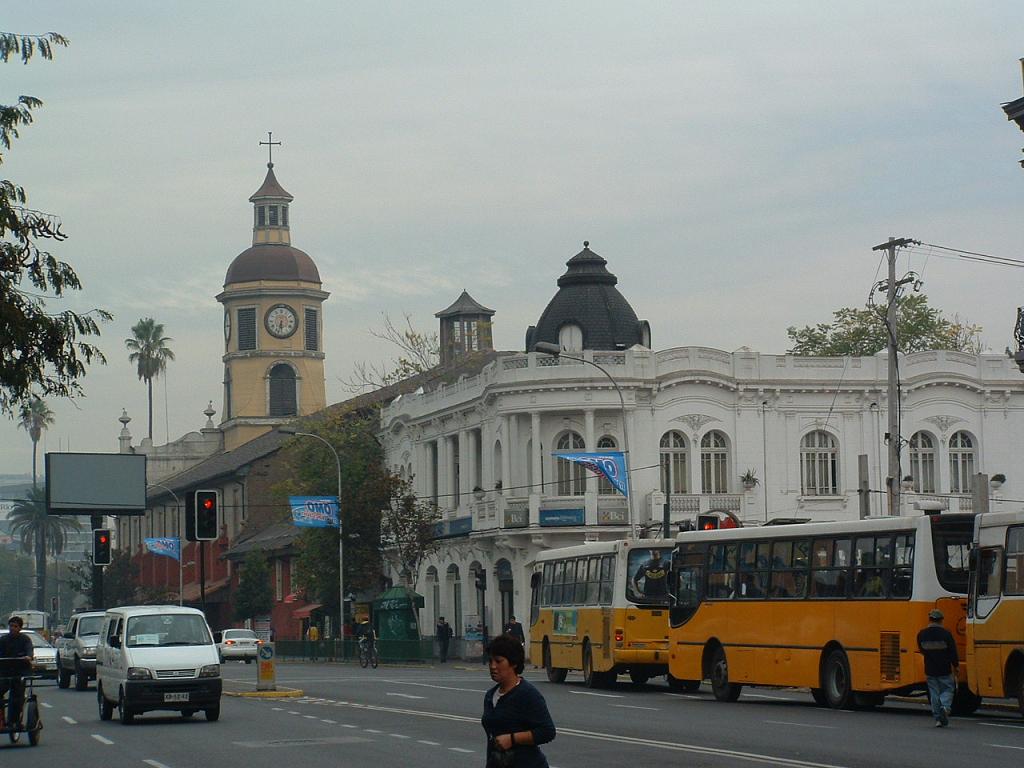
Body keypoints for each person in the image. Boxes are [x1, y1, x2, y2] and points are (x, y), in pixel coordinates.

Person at [482, 633, 556, 768]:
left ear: (513, 663)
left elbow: (547, 731)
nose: (492, 666)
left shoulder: (527, 694)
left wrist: (512, 739)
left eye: (498, 661)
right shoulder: (490, 695)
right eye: (490, 661)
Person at [917, 608, 959, 727]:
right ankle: (945, 707)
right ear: (941, 620)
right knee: (947, 689)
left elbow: (922, 650)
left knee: (934, 693)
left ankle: (938, 718)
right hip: (944, 668)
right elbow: (952, 651)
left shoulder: (922, 634)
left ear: (930, 619)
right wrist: (956, 665)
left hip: (930, 669)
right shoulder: (946, 634)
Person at [0, 616, 34, 726]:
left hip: (20, 672)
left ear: (20, 628)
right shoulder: (3, 640)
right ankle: (1, 719)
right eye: (11, 626)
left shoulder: (25, 639)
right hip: (5, 672)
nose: (13, 628)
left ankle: (14, 721)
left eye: (15, 626)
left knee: (17, 696)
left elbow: (29, 650)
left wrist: (28, 657)